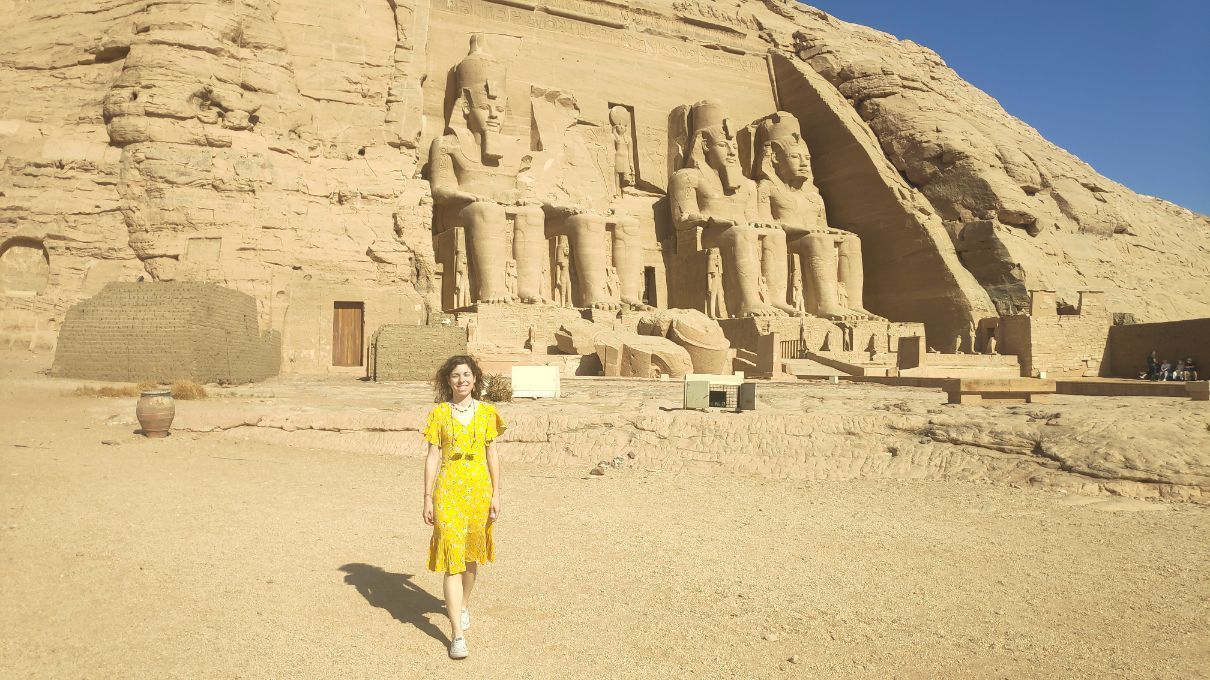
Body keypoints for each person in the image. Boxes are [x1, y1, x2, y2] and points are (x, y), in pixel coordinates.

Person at [421, 355, 506, 660]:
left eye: (466, 374)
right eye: (456, 375)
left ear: (475, 379)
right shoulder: (439, 413)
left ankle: (463, 604)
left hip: (479, 491)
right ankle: (457, 633)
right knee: (452, 559)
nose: (461, 380)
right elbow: (433, 456)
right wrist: (427, 497)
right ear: (448, 381)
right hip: (448, 491)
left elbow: (492, 454)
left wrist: (496, 494)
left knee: (471, 558)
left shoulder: (487, 413)